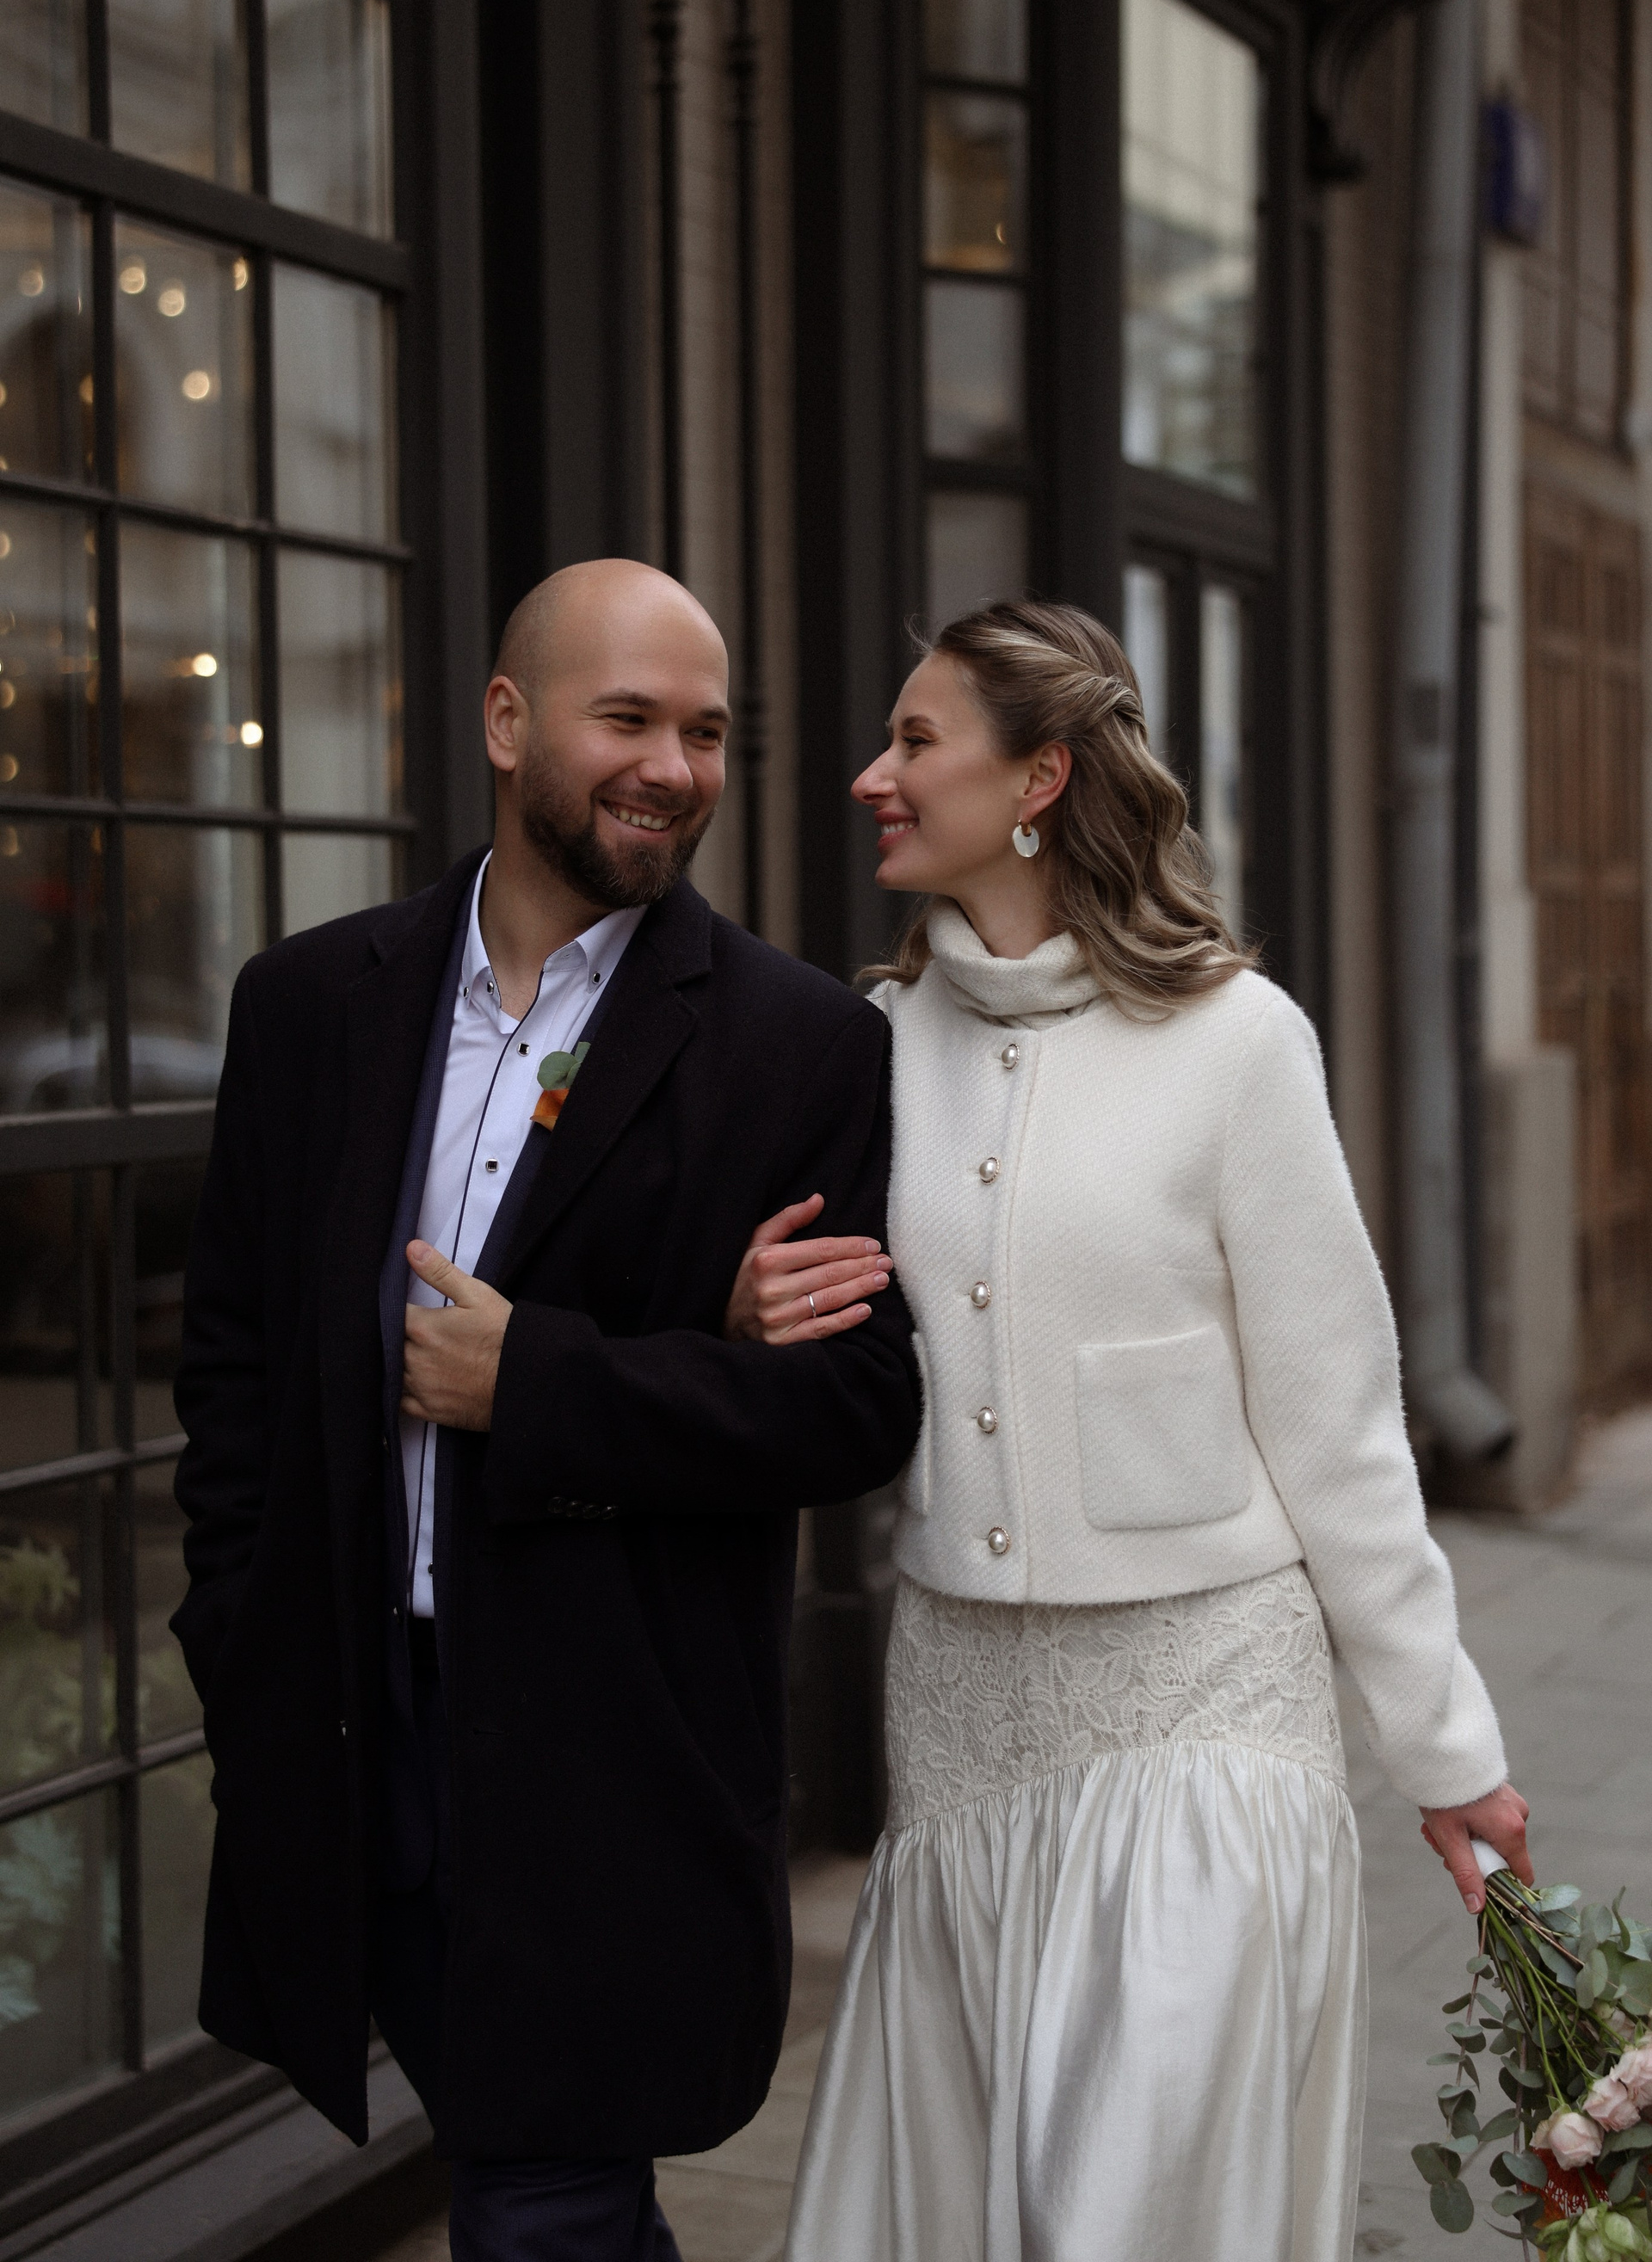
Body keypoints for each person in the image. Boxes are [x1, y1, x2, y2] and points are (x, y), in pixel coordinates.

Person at [170, 558, 920, 2262]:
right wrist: (240, 1638)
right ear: (507, 723)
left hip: (614, 1759)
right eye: (629, 719)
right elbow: (231, 1367)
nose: (673, 766)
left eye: (706, 733)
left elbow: (855, 1408)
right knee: (540, 2187)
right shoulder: (309, 1005)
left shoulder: (800, 1046)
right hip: (363, 1733)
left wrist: (543, 1383)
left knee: (538, 2204)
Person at [767, 599, 1532, 2261]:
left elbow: (1341, 1430)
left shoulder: (1239, 1045)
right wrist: (754, 1306)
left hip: (1205, 1706)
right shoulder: (874, 1046)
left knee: (1130, 2209)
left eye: (915, 742)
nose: (871, 777)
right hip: (963, 1727)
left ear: (1038, 778)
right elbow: (827, 1340)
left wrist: (1445, 1750)